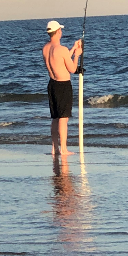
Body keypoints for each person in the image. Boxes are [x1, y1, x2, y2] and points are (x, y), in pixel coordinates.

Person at [42, 20, 83, 155]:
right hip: (63, 85)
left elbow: (59, 60)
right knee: (63, 118)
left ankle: (54, 148)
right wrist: (76, 55)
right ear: (58, 31)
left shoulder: (46, 48)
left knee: (55, 117)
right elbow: (71, 68)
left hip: (52, 84)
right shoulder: (61, 49)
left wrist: (72, 48)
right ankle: (64, 149)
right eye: (61, 30)